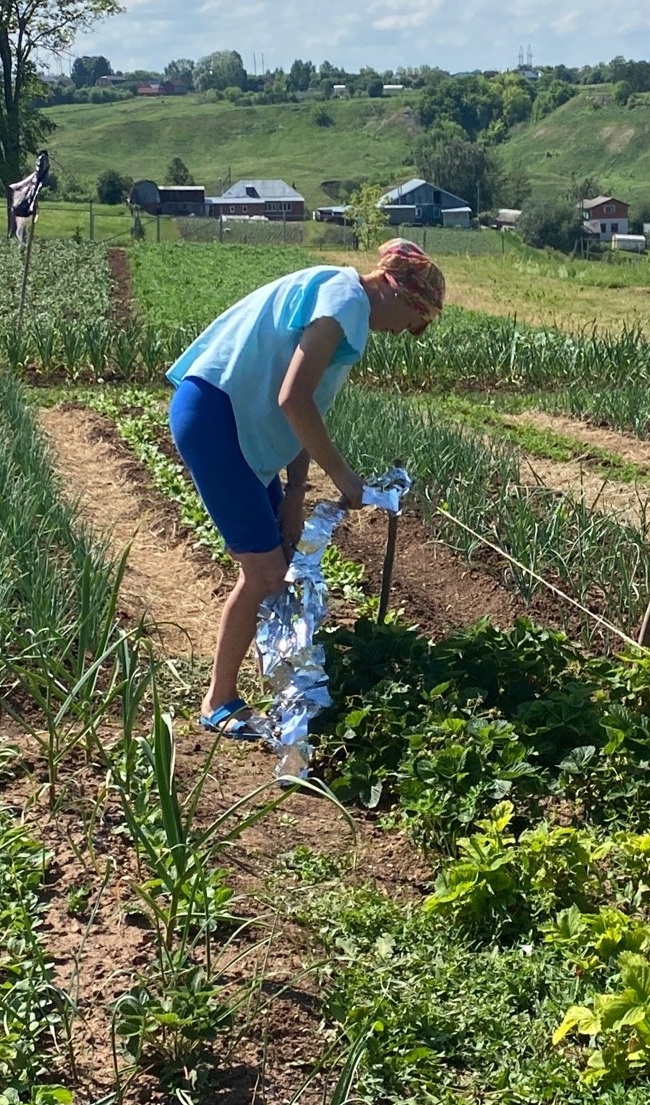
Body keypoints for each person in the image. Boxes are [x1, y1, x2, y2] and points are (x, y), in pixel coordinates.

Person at [166, 239, 444, 737]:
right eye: (414, 319)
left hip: (235, 421)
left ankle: (266, 682)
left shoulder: (339, 296)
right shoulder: (346, 305)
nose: (406, 331)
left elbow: (301, 405)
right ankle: (219, 701)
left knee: (281, 558)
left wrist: (296, 492)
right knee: (265, 571)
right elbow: (293, 398)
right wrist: (344, 478)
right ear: (395, 291)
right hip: (218, 419)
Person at [8, 150, 48, 246]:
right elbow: (25, 182)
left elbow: (35, 191)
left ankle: (23, 242)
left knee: (21, 219)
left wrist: (32, 204)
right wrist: (16, 186)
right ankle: (21, 241)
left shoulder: (40, 179)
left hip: (28, 203)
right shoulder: (35, 175)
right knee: (18, 219)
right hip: (26, 200)